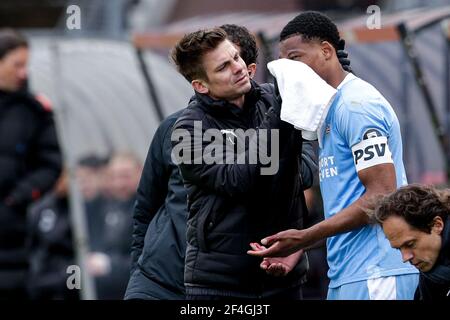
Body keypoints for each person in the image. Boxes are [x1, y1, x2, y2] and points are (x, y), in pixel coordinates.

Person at [125, 24, 320, 300]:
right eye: (223, 67)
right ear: (200, 85)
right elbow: (239, 179)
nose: (238, 68)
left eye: (236, 58)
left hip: (279, 277)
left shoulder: (272, 100)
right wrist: (138, 276)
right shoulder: (186, 130)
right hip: (211, 283)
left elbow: (306, 170)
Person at [248, 12, 419, 300]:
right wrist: (301, 247)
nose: (289, 71)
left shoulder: (356, 106)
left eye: (296, 58)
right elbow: (348, 200)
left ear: (327, 51)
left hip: (377, 273)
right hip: (348, 274)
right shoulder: (330, 109)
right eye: (284, 62)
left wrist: (306, 236)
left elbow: (382, 194)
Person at [0, 28, 62, 299]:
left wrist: (18, 198)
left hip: (12, 232)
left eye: (26, 65)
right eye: (17, 64)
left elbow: (51, 164)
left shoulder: (35, 111)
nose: (23, 72)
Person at [370, 184, 450, 300]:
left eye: (410, 244)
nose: (405, 258)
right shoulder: (431, 276)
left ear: (437, 225)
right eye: (399, 249)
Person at [26, 170, 79, 300]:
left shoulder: (88, 207)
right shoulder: (45, 207)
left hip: (73, 273)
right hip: (45, 273)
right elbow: (34, 246)